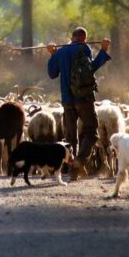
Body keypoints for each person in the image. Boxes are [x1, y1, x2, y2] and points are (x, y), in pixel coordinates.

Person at [47, 27, 111, 180]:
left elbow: (52, 74)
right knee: (91, 132)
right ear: (85, 38)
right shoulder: (85, 48)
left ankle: (72, 172)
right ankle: (79, 161)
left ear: (72, 37)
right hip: (84, 100)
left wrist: (52, 55)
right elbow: (91, 69)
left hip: (67, 101)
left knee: (70, 137)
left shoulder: (61, 52)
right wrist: (103, 51)